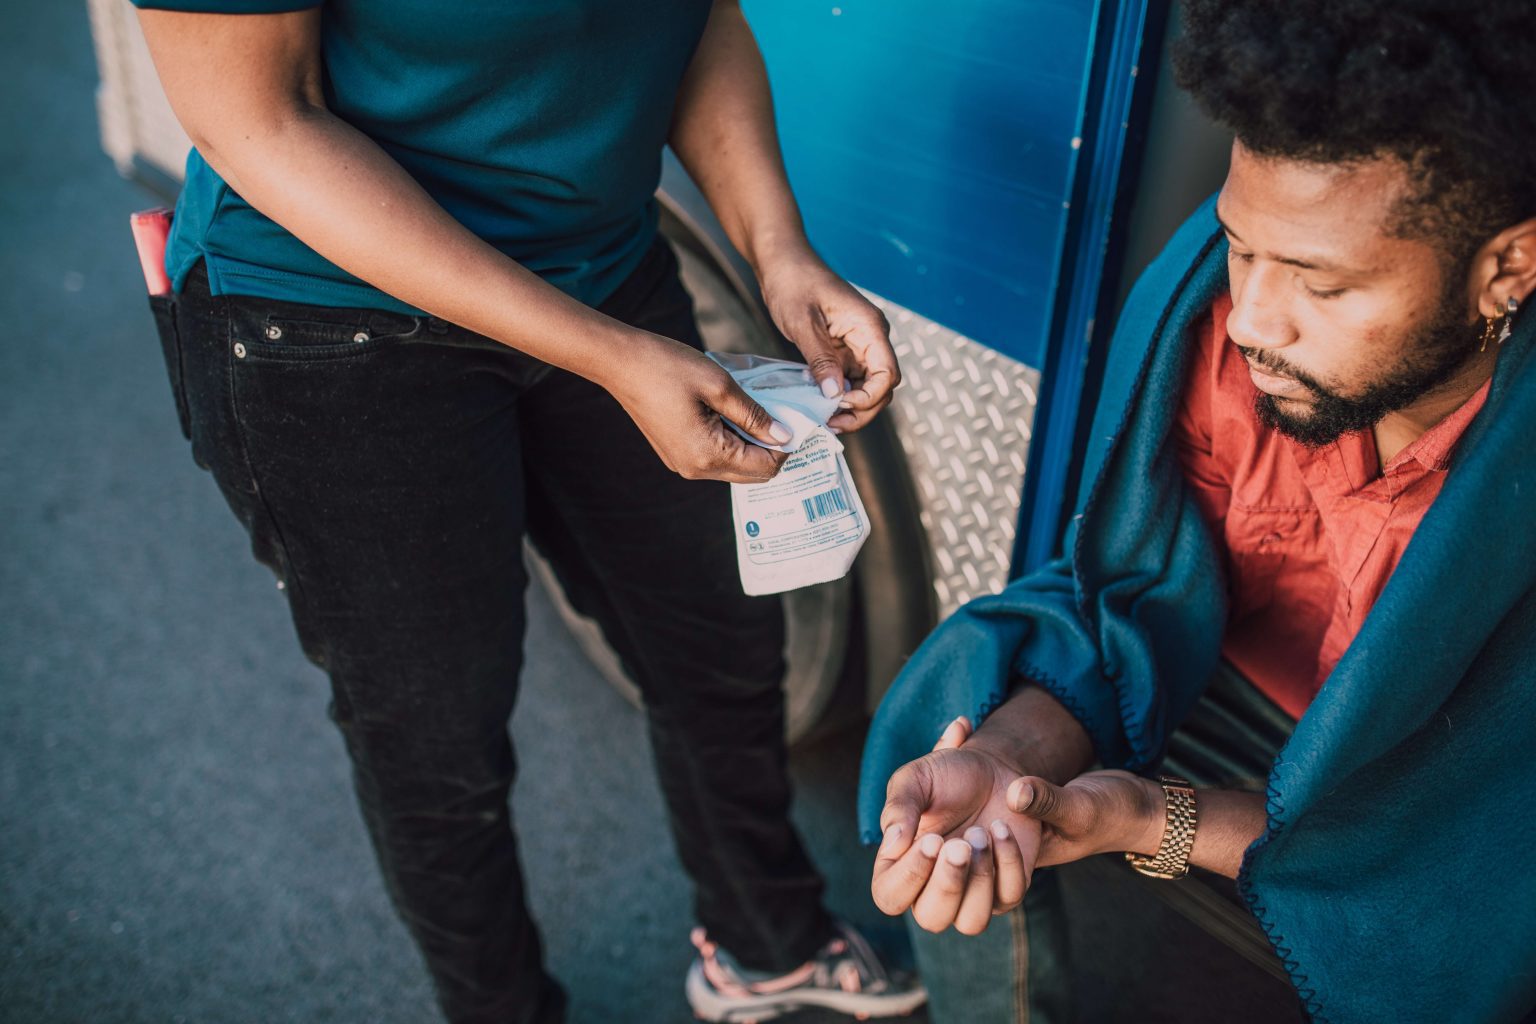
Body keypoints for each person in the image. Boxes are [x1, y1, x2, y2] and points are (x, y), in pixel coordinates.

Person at [129, 2, 926, 1022]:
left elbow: (698, 16)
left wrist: (781, 253)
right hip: (329, 317)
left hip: (603, 271)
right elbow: (257, 123)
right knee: (435, 737)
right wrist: (604, 356)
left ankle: (764, 945)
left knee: (717, 642)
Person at [858, 1, 1536, 1021]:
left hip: (1439, 783)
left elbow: (1473, 846)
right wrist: (1006, 767)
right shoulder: (1219, 339)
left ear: (1508, 269)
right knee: (965, 768)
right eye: (1241, 248)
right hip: (1224, 672)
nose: (1255, 321)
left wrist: (1147, 818)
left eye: (1320, 282)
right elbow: (1132, 595)